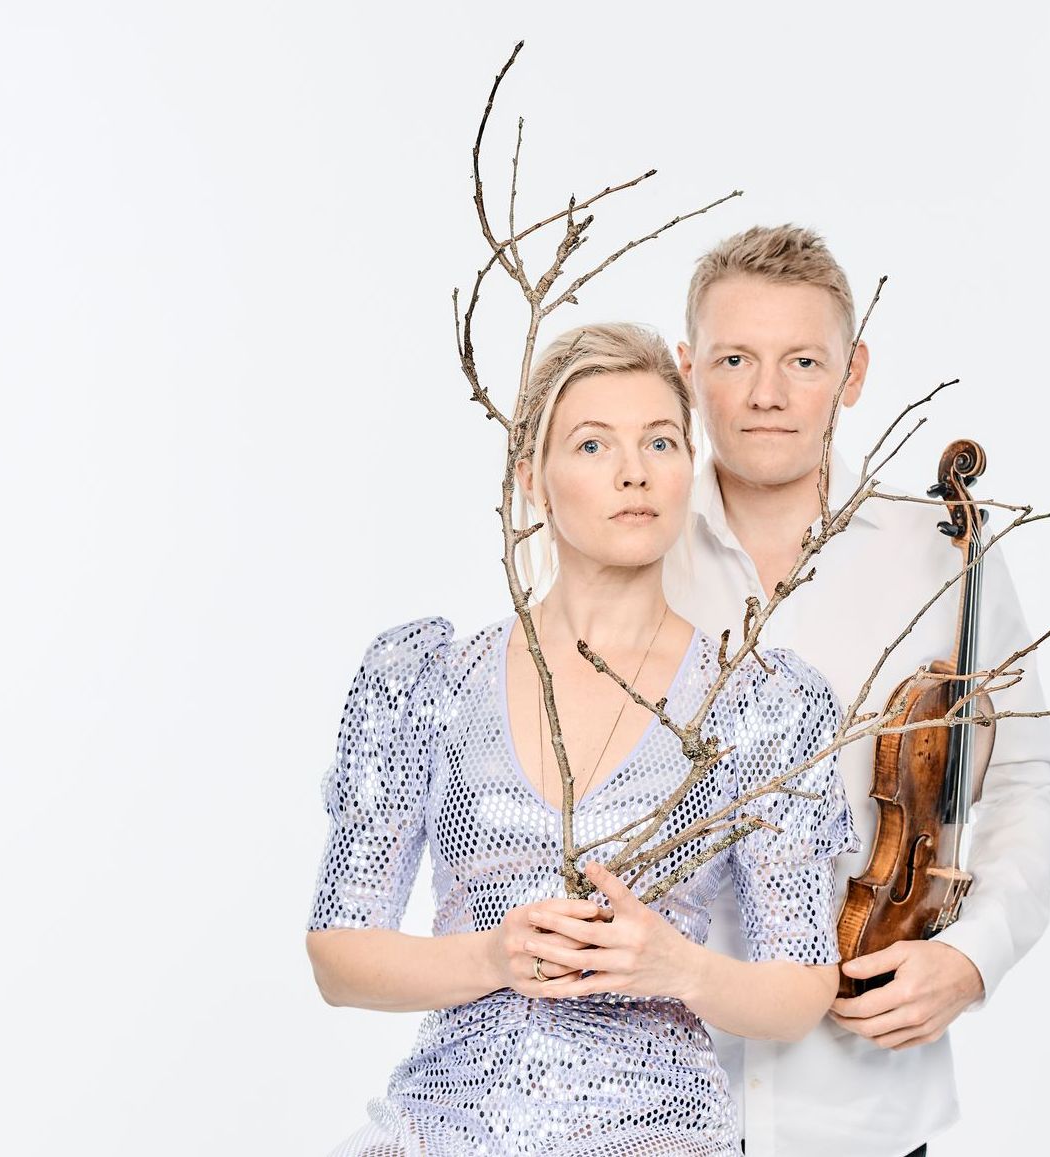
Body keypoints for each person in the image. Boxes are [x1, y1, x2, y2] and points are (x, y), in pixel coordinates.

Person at [305, 322, 860, 1157]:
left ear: (688, 468)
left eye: (660, 441)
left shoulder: (760, 703)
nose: (634, 471)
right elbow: (337, 954)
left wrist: (677, 968)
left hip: (659, 1134)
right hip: (442, 1130)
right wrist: (493, 959)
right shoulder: (427, 681)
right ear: (532, 478)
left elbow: (800, 986)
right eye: (593, 444)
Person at [664, 226, 1050, 1157]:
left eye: (803, 361)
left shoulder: (946, 554)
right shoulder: (631, 549)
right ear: (689, 369)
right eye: (734, 358)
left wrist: (972, 955)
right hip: (648, 1108)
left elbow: (1026, 784)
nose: (768, 394)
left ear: (852, 374)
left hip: (865, 1111)